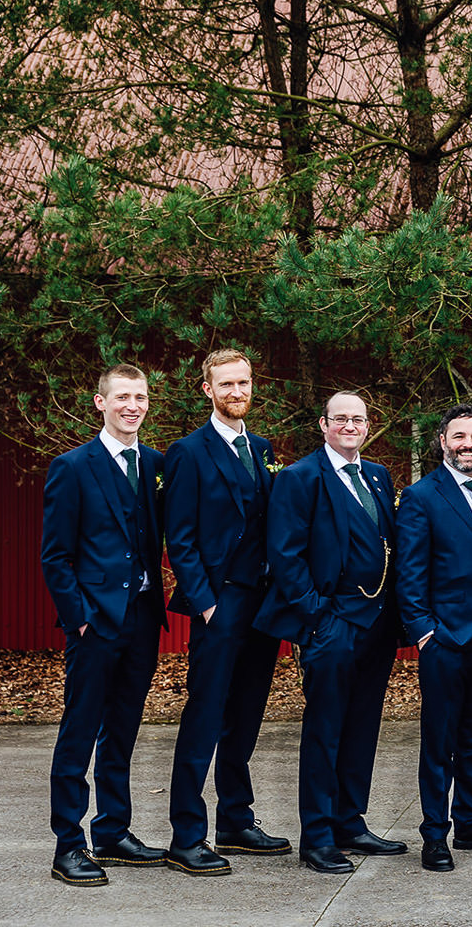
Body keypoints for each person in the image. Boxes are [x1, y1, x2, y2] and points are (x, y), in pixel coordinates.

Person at [255, 391, 405, 874]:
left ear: (367, 425)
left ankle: (349, 822)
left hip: (377, 625)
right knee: (325, 731)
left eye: (357, 419)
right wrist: (318, 616)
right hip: (331, 624)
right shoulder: (300, 478)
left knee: (362, 727)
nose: (349, 425)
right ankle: (317, 837)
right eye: (339, 418)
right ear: (323, 424)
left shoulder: (378, 475)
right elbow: (285, 555)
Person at [162, 349, 289, 876]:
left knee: (247, 713)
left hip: (262, 604)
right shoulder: (188, 452)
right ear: (208, 390)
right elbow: (181, 538)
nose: (238, 392)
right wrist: (207, 604)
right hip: (220, 602)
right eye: (227, 384)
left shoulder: (262, 449)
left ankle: (236, 820)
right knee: (206, 715)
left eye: (245, 382)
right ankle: (187, 834)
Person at [41, 363, 168, 886]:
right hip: (96, 623)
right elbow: (55, 556)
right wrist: (80, 621)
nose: (132, 405)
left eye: (140, 396)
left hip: (141, 618)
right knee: (79, 731)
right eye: (122, 397)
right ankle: (68, 845)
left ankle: (112, 831)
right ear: (101, 403)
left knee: (123, 729)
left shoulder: (156, 463)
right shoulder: (72, 467)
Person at [397, 403, 472, 872]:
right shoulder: (422, 496)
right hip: (446, 638)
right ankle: (435, 834)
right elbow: (410, 573)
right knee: (440, 740)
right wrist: (425, 632)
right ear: (443, 441)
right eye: (459, 436)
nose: (468, 444)